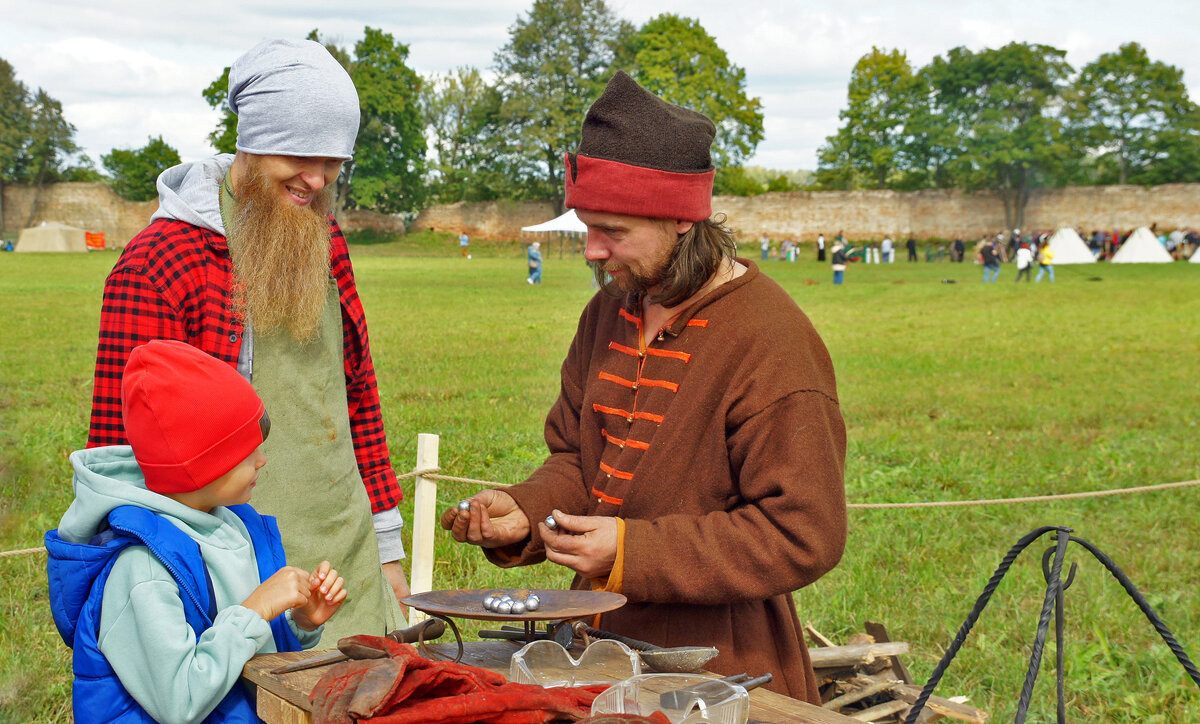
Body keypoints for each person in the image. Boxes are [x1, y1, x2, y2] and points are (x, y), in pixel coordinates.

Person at [440, 71, 846, 704]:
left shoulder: (772, 342)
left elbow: (803, 532)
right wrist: (526, 509)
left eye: (614, 231)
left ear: (682, 220)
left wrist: (635, 549)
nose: (592, 252)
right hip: (591, 648)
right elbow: (581, 459)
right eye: (586, 226)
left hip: (723, 667)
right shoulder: (609, 313)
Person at [85, 39, 408, 642]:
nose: (317, 179)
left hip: (350, 557)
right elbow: (122, 453)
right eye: (300, 156)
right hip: (236, 583)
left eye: (333, 160)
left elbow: (356, 398)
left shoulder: (326, 240)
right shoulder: (158, 265)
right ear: (253, 141)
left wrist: (386, 552)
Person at [47, 340, 347, 723]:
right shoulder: (143, 570)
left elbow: (244, 656)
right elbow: (180, 701)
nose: (262, 460)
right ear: (199, 465)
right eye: (245, 451)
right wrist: (254, 610)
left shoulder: (232, 526)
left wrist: (299, 623)